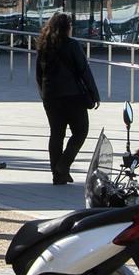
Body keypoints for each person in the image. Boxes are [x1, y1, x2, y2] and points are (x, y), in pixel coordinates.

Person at [35, 12, 100, 185]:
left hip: (51, 96)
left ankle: (57, 174)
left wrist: (44, 93)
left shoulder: (44, 46)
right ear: (67, 28)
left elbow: (38, 73)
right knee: (80, 131)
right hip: (72, 96)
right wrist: (94, 93)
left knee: (56, 133)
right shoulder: (73, 45)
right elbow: (84, 70)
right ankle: (62, 166)